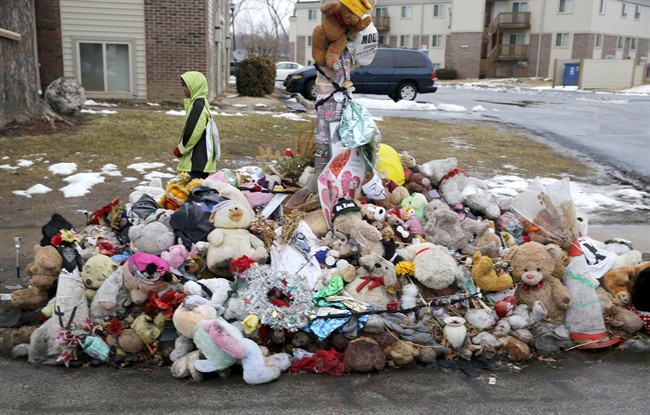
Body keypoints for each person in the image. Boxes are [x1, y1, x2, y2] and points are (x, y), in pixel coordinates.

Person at [173, 71, 218, 180]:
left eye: (186, 86)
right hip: (199, 159)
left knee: (188, 191)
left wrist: (181, 148)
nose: (183, 88)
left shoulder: (198, 105)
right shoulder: (200, 102)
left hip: (197, 160)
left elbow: (193, 131)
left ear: (195, 86)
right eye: (183, 85)